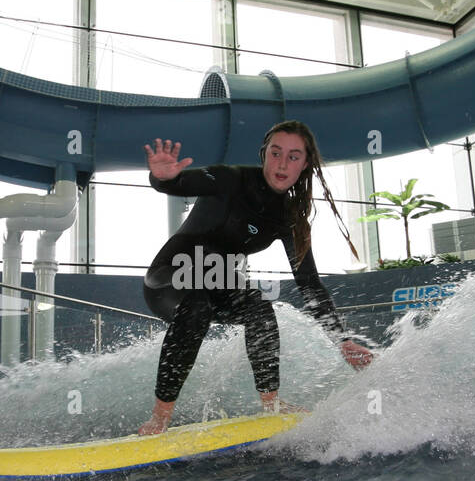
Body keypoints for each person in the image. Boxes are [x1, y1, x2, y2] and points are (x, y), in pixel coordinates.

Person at [138, 120, 373, 435]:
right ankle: (160, 418)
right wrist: (162, 177)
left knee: (259, 308)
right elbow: (178, 183)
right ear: (264, 154)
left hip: (219, 284)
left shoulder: (290, 218)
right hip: (171, 278)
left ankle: (271, 404)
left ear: (304, 165)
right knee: (197, 304)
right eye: (275, 153)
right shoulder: (230, 178)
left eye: (293, 156)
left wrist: (341, 339)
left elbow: (309, 284)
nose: (281, 163)